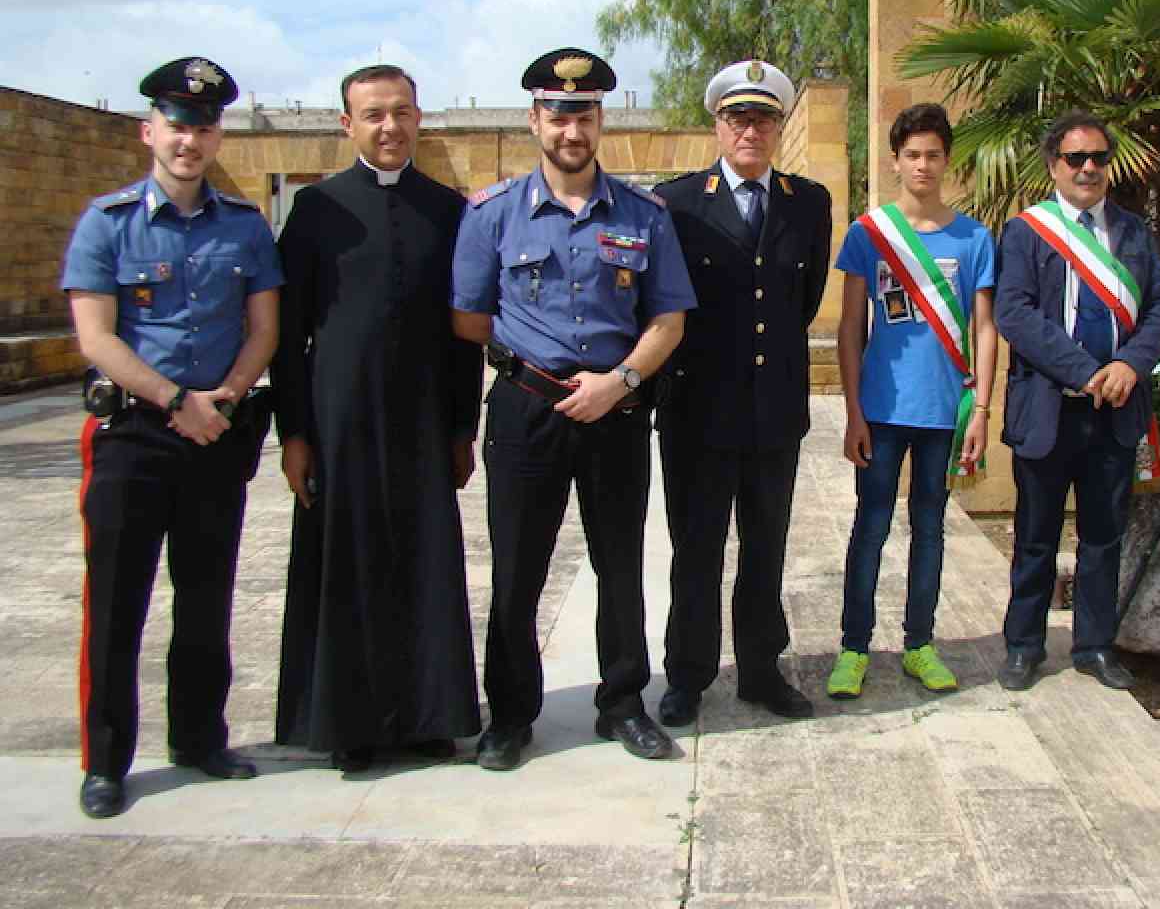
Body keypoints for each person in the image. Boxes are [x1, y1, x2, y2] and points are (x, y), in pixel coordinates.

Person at [451, 47, 696, 769]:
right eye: (556, 113)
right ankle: (511, 715)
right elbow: (468, 316)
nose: (570, 128)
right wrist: (529, 363)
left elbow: (669, 320)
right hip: (528, 413)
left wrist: (618, 380)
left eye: (583, 114)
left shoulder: (644, 215)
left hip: (615, 412)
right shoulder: (493, 215)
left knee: (620, 567)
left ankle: (622, 703)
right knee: (517, 571)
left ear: (600, 122)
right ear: (535, 120)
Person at [60, 57, 284, 818]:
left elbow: (264, 329)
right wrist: (173, 398)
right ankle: (105, 762)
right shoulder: (107, 222)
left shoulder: (245, 227)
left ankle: (199, 737)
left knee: (206, 597)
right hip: (133, 434)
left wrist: (219, 397)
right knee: (117, 604)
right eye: (178, 125)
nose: (190, 140)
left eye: (204, 126)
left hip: (216, 433)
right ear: (149, 131)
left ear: (219, 136)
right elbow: (96, 337)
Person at [271, 64, 484, 772]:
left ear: (419, 118)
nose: (389, 127)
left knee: (425, 568)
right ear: (347, 124)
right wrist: (294, 433)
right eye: (373, 115)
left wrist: (463, 428)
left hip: (423, 424)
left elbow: (463, 332)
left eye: (401, 113)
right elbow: (287, 336)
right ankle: (351, 726)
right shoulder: (316, 212)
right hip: (340, 425)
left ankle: (429, 717)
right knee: (349, 570)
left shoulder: (448, 211)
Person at [654, 60, 833, 726]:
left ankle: (760, 671)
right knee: (695, 551)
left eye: (763, 117)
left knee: (766, 550)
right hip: (697, 412)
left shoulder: (807, 201)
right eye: (738, 117)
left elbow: (803, 297)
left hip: (773, 411)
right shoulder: (675, 202)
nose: (750, 129)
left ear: (780, 125)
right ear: (718, 125)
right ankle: (688, 676)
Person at [993, 112, 1160, 692]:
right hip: (1049, 411)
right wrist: (1089, 370)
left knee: (1102, 537)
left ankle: (1095, 648)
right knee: (1035, 536)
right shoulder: (1026, 232)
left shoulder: (1134, 232)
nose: (1088, 168)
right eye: (1076, 159)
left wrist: (1127, 366)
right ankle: (1023, 646)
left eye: (1098, 157)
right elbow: (1014, 313)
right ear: (1054, 167)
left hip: (1115, 412)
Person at [828, 103, 997, 699]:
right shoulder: (869, 234)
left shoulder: (974, 237)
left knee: (931, 529)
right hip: (880, 408)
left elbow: (983, 327)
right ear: (894, 161)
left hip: (944, 412)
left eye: (933, 154)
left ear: (946, 160)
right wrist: (852, 410)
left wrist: (980, 411)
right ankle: (853, 648)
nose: (923, 165)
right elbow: (851, 327)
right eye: (912, 155)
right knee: (869, 528)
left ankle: (920, 644)